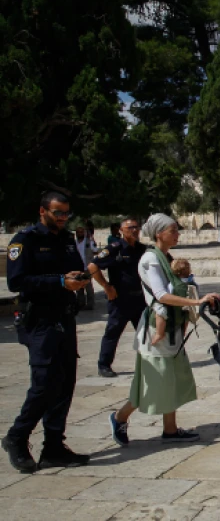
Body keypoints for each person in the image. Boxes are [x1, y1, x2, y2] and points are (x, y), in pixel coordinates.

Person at [109, 214, 220, 446]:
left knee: (171, 380)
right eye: (173, 230)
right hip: (156, 330)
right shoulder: (150, 259)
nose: (177, 233)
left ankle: (170, 430)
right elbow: (161, 295)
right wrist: (196, 303)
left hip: (171, 328)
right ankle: (120, 417)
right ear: (159, 233)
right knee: (153, 382)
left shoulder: (164, 257)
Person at [3, 192, 92, 472]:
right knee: (44, 384)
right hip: (39, 321)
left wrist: (80, 277)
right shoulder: (25, 240)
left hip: (64, 318)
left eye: (66, 213)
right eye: (58, 213)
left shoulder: (65, 239)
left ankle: (54, 445)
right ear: (43, 212)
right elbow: (17, 281)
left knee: (65, 383)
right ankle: (17, 437)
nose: (63, 218)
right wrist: (58, 282)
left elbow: (76, 269)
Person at [88, 217, 147, 378]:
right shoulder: (115, 248)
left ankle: (149, 364)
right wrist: (106, 286)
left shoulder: (142, 249)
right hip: (120, 301)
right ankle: (104, 365)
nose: (134, 230)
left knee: (145, 333)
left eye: (136, 227)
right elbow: (93, 266)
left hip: (140, 300)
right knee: (113, 333)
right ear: (121, 230)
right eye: (130, 228)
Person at [73, 225, 96, 310]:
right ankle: (80, 303)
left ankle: (90, 304)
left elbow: (95, 250)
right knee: (79, 287)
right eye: (78, 232)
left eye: (81, 232)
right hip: (77, 268)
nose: (80, 233)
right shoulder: (74, 243)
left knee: (88, 286)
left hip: (87, 268)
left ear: (84, 233)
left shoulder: (89, 242)